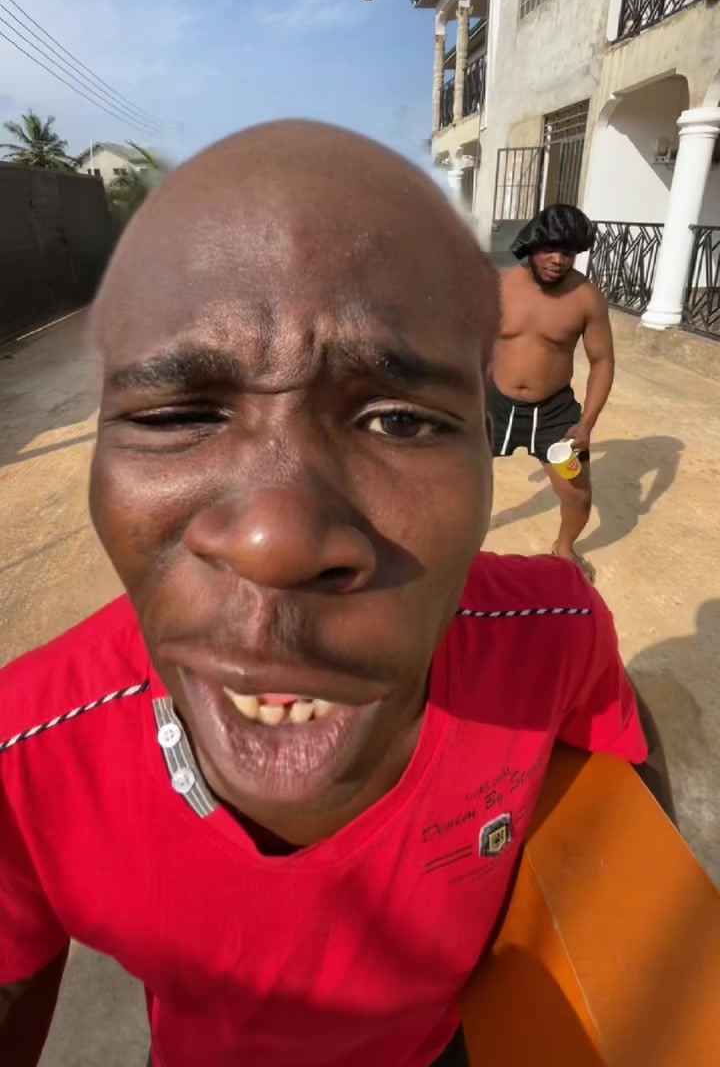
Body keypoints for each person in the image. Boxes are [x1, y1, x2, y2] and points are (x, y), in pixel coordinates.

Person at [0, 125, 672, 1067]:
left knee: (573, 486)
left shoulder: (551, 632)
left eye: (400, 420)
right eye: (179, 414)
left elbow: (618, 741)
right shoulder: (26, 750)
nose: (276, 542)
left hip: (441, 1050)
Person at [488, 204, 614, 581]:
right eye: (550, 250)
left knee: (577, 493)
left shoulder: (586, 297)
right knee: (459, 481)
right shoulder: (498, 286)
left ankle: (564, 548)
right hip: (494, 405)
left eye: (568, 252)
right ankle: (454, 547)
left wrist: (586, 424)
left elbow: (602, 362)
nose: (558, 260)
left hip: (554, 413)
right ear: (532, 245)